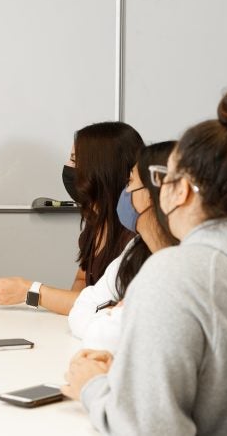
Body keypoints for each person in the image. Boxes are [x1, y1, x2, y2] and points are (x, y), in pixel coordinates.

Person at [63, 87, 227, 435]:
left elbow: (149, 431)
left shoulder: (175, 273)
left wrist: (93, 386)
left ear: (184, 190)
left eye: (163, 179)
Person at [0, 122, 143, 314]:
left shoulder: (136, 234)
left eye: (75, 161)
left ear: (102, 169)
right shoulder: (96, 223)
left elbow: (105, 304)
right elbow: (82, 281)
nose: (69, 168)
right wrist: (73, 310)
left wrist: (30, 291)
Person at [67, 141, 179, 350]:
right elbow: (79, 310)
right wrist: (115, 317)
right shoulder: (136, 247)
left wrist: (113, 316)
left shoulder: (182, 261)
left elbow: (106, 336)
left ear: (152, 192)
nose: (125, 191)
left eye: (130, 182)